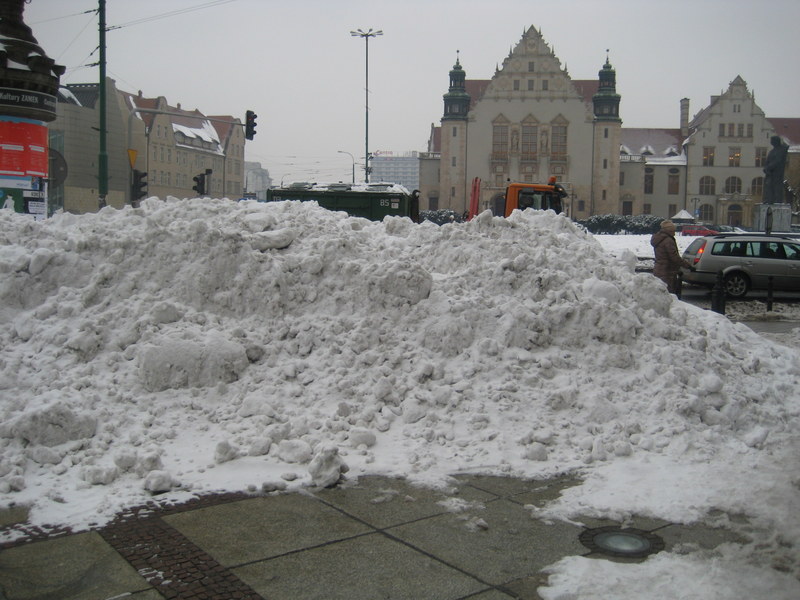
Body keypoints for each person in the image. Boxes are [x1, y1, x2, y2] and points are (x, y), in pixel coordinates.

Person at [651, 220, 690, 293]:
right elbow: (674, 257)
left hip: (659, 269)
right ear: (669, 230)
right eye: (673, 231)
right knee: (668, 294)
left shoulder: (659, 238)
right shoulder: (668, 240)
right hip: (667, 272)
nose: (674, 233)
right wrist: (687, 266)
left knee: (660, 293)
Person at [763, 135, 789, 205]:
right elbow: (767, 161)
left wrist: (769, 167)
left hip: (777, 173)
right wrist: (765, 168)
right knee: (768, 186)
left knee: (776, 187)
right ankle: (769, 200)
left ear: (776, 141)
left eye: (772, 141)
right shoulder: (772, 151)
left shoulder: (781, 150)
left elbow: (778, 161)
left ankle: (777, 201)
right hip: (770, 173)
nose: (771, 142)